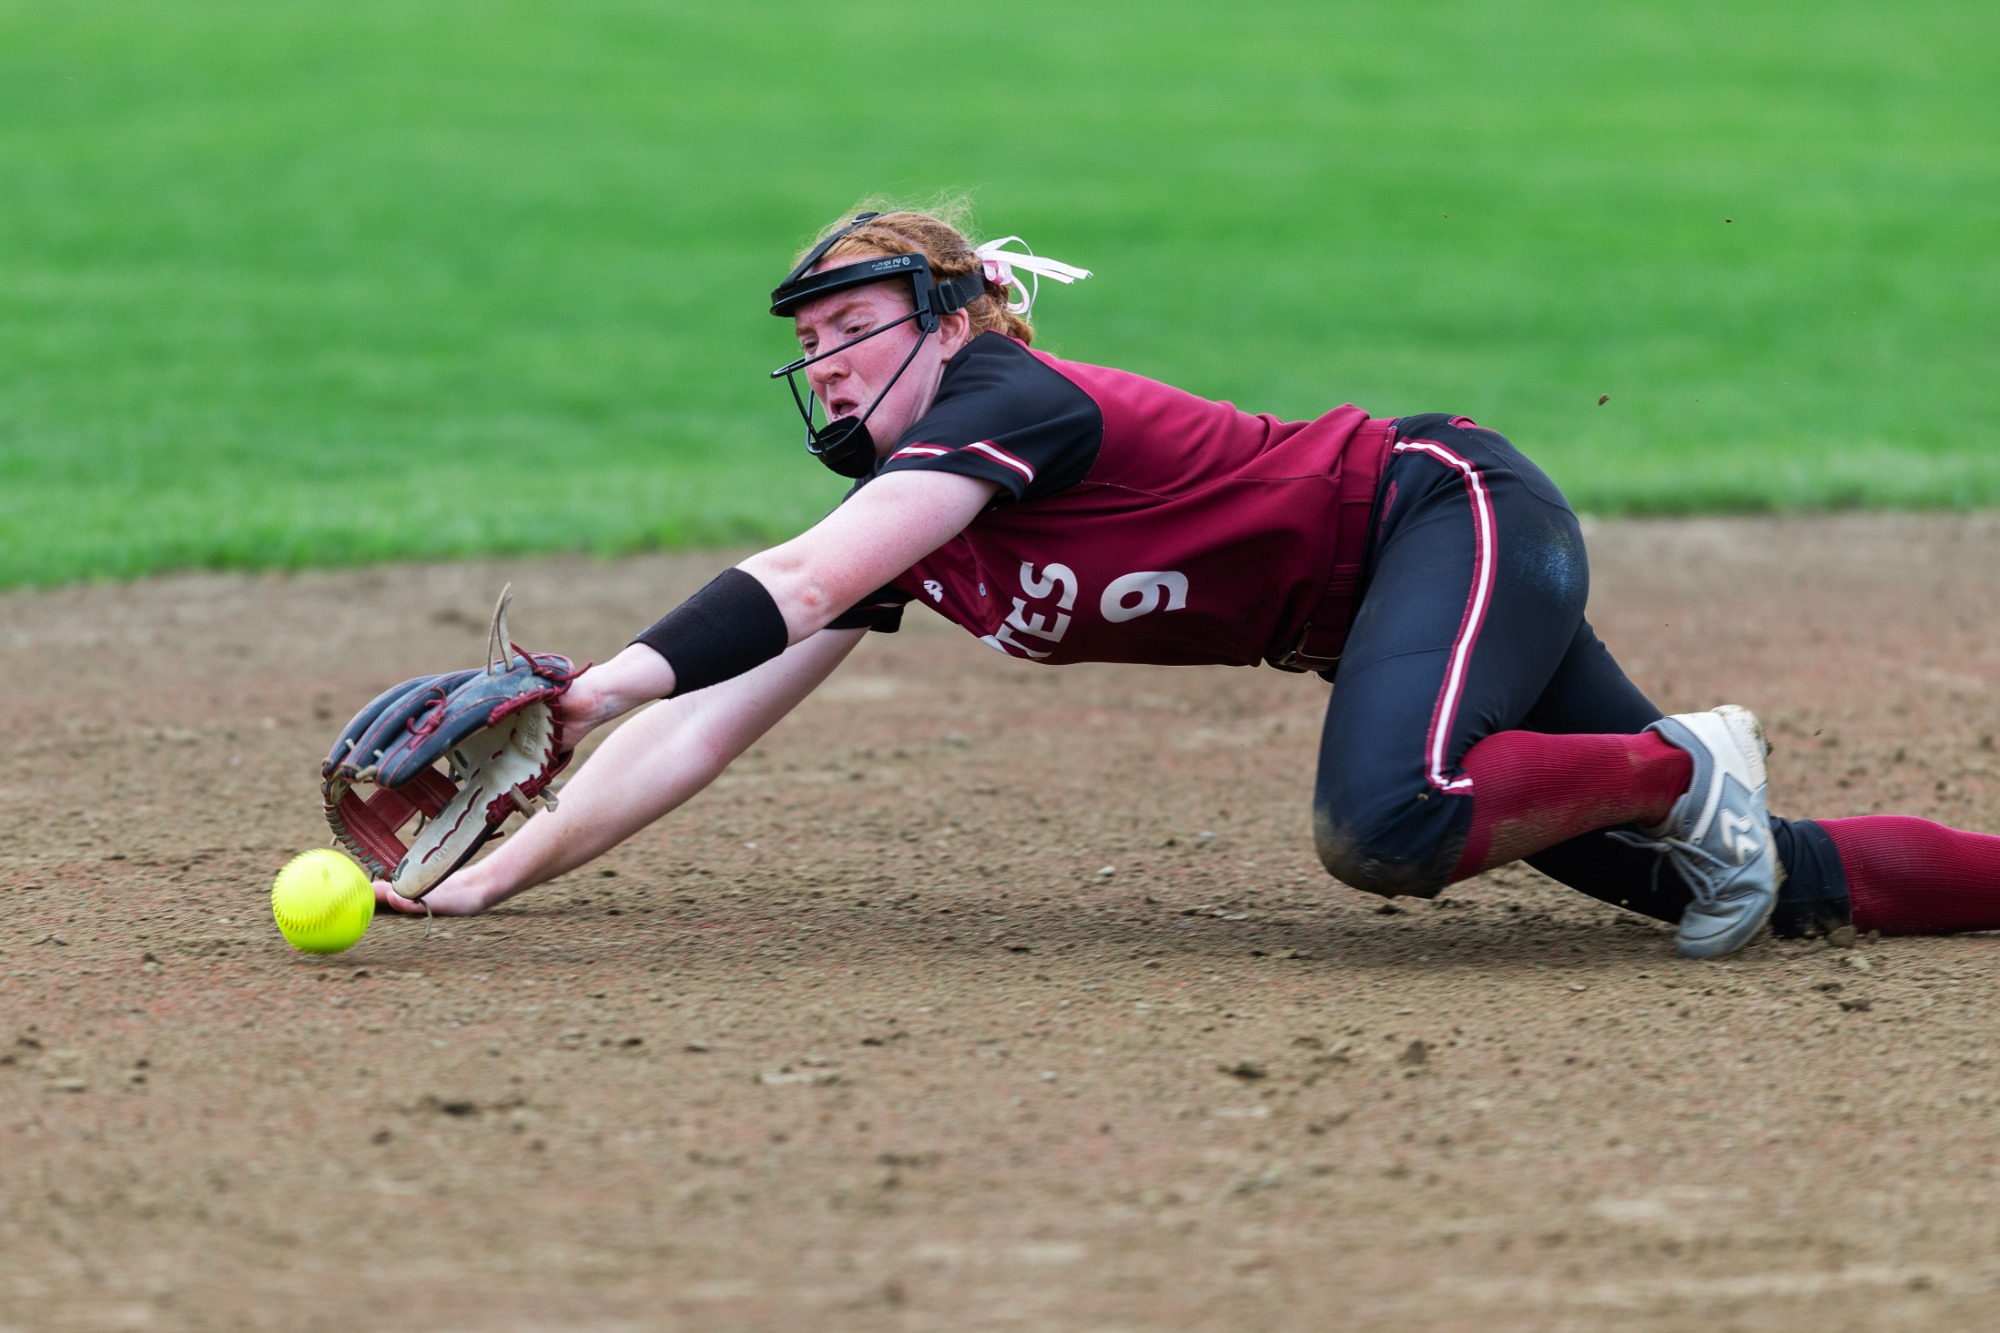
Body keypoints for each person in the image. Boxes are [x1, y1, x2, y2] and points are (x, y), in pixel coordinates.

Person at [374, 203, 2000, 955]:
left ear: (954, 320)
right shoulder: (912, 507)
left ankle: (1685, 754)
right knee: (1715, 882)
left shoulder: (1016, 403)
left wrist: (591, 680)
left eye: (852, 328)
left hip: (1448, 515)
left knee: (1393, 823)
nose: (828, 367)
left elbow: (789, 585)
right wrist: (492, 875)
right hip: (1391, 615)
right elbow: (717, 717)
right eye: (807, 350)